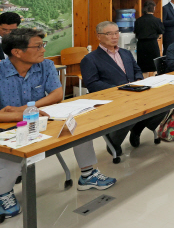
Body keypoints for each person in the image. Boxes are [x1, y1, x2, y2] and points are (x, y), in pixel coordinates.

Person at [0, 28, 117, 219]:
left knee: (77, 127)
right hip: (9, 126)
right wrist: (22, 115)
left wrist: (28, 109)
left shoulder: (45, 66)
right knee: (10, 152)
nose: (43, 50)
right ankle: (4, 193)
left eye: (42, 45)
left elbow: (56, 94)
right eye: (38, 46)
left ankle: (87, 175)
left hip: (41, 118)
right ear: (17, 52)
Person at [81, 22, 165, 157]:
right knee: (128, 112)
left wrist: (138, 81)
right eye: (109, 34)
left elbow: (137, 70)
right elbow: (92, 84)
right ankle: (114, 142)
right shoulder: (90, 59)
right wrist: (119, 90)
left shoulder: (126, 53)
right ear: (99, 36)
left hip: (134, 93)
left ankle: (137, 129)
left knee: (164, 104)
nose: (115, 37)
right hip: (112, 99)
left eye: (116, 32)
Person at [134, 0, 164, 77]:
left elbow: (135, 32)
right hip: (152, 44)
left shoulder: (138, 20)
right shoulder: (156, 20)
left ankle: (144, 84)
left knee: (143, 67)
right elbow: (161, 31)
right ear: (154, 8)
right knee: (154, 67)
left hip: (141, 45)